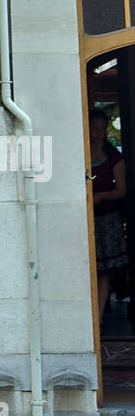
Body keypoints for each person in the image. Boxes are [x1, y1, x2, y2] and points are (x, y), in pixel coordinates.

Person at [88, 109, 128, 323]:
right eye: (94, 128)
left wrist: (102, 196)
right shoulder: (80, 151)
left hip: (107, 220)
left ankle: (99, 319)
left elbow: (122, 189)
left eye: (102, 129)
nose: (98, 133)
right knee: (87, 266)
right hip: (85, 218)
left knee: (105, 270)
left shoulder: (114, 156)